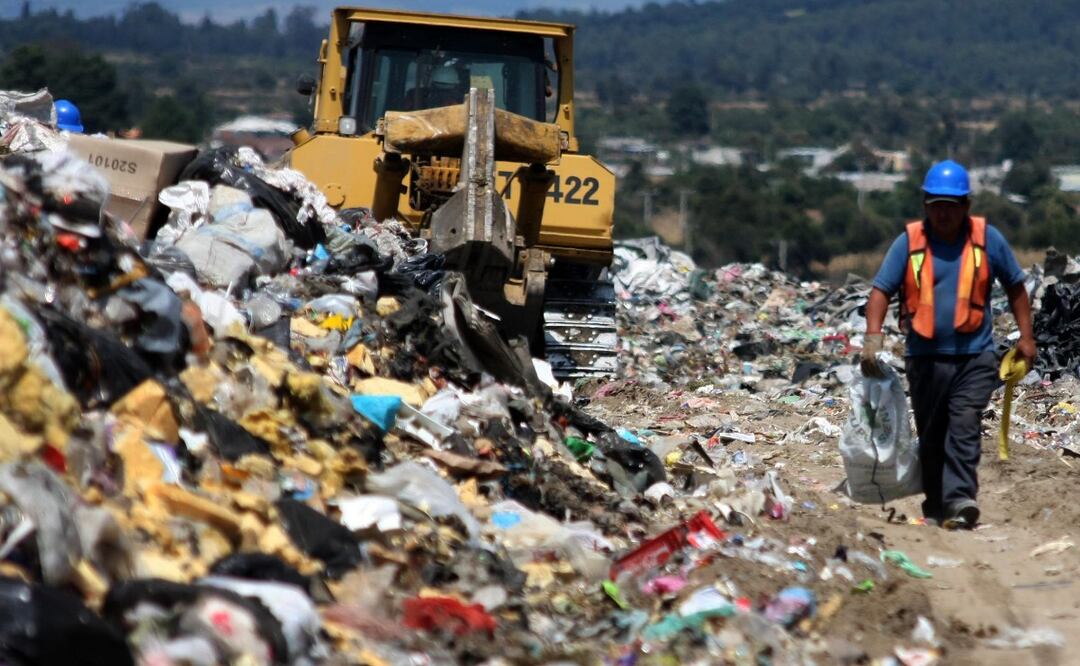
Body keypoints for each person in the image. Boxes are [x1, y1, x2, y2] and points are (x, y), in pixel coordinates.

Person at [861, 159, 1035, 529]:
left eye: (951, 206)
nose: (943, 214)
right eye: (936, 205)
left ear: (966, 207)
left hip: (975, 356)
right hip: (924, 359)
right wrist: (872, 341)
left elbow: (1016, 287)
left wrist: (1026, 337)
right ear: (925, 205)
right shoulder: (909, 242)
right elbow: (880, 292)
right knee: (933, 433)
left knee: (964, 425)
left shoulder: (988, 240)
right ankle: (937, 503)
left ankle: (960, 499)